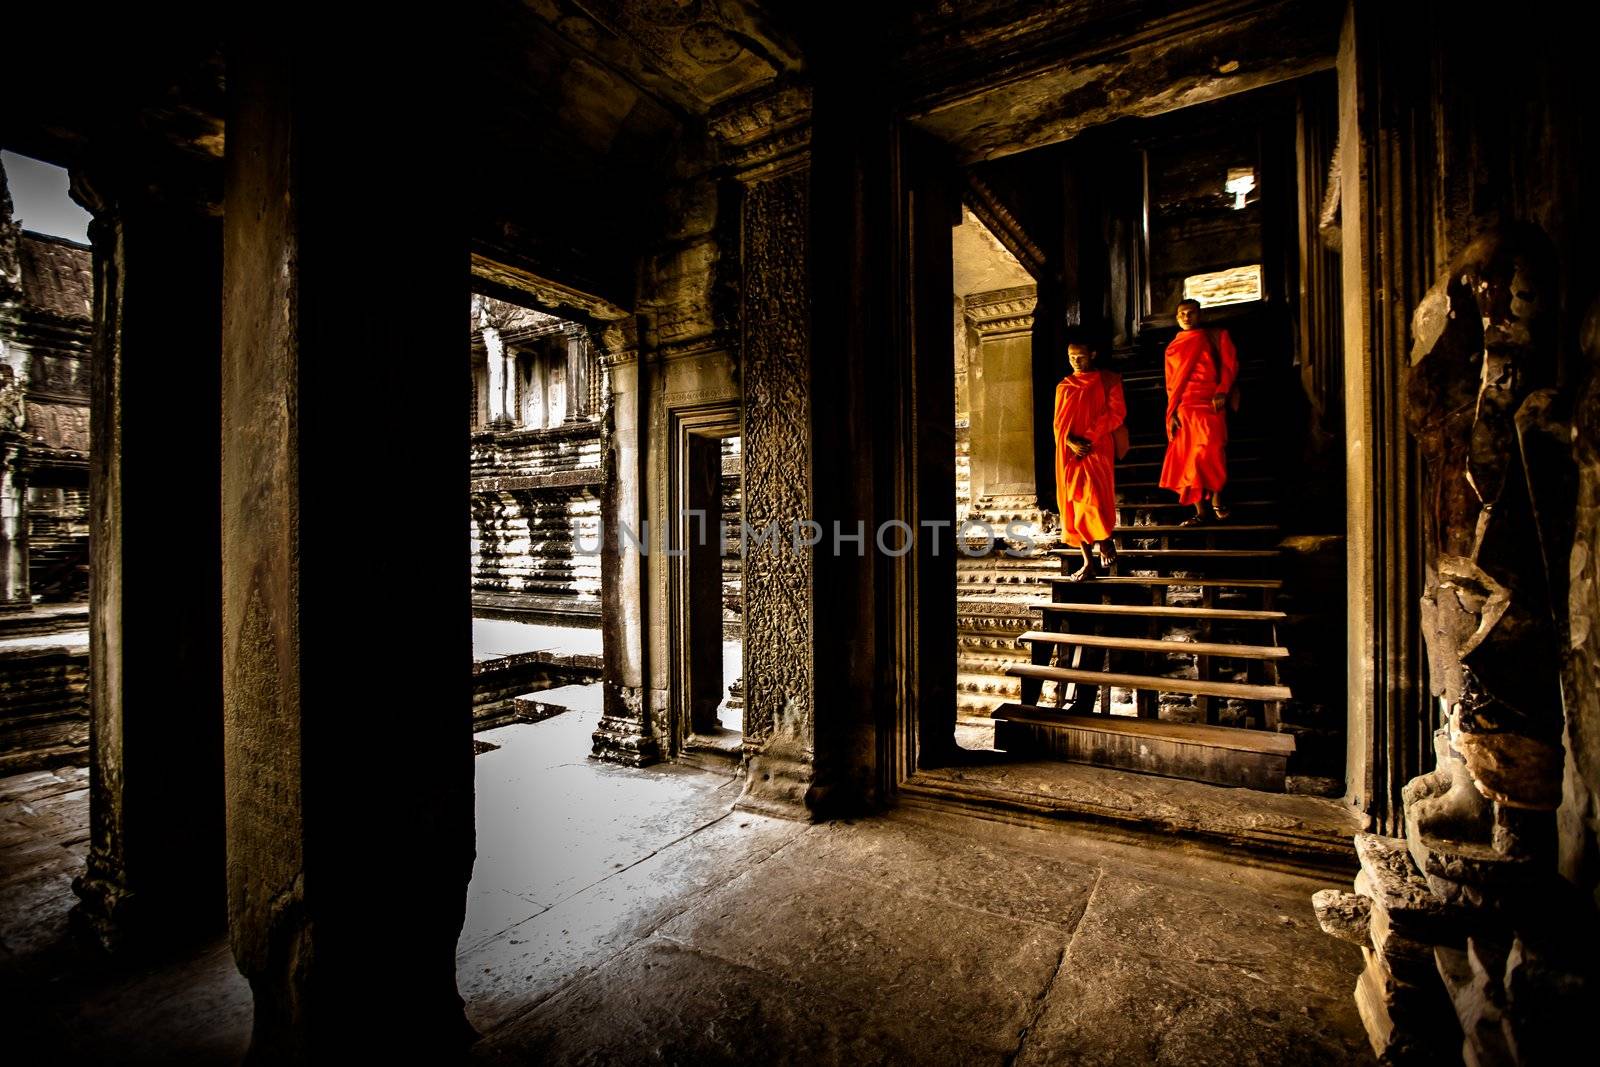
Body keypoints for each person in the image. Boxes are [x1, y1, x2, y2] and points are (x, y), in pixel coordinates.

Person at [1158, 298, 1238, 524]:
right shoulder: (1173, 347)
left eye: (1190, 313)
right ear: (1176, 318)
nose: (1186, 317)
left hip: (1211, 402)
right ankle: (1201, 512)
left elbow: (1230, 366)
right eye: (1182, 314)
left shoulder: (1216, 336)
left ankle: (1217, 498)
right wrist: (1172, 412)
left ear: (1199, 315)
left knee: (1210, 450)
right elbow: (1171, 384)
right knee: (1188, 460)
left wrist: (1222, 390)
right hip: (1185, 406)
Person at [1053, 338, 1126, 581]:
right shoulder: (1064, 386)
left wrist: (1088, 438)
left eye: (1080, 356)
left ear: (1092, 354)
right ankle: (1088, 563)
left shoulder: (1109, 380)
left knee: (1093, 496)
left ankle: (1104, 538)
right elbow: (1058, 425)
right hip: (1071, 453)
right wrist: (1070, 442)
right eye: (1071, 356)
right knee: (1075, 505)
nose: (1075, 360)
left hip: (1097, 448)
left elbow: (1116, 414)